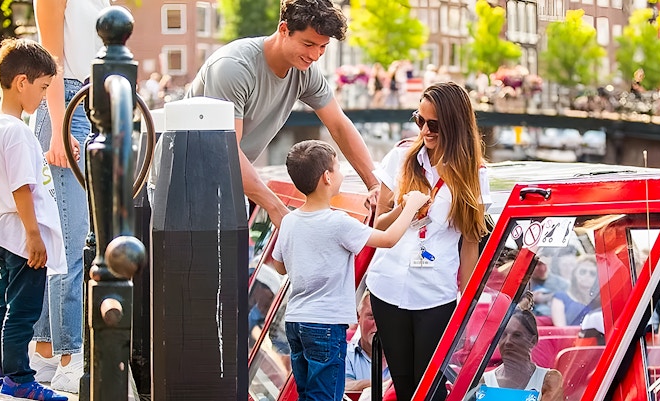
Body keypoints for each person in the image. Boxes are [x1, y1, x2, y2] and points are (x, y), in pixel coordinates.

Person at [185, 0, 380, 228]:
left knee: (237, 262)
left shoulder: (305, 72)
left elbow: (339, 125)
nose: (315, 55)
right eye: (308, 44)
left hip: (229, 184)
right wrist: (277, 208)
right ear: (284, 30)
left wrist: (375, 184)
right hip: (186, 183)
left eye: (322, 47)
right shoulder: (233, 68)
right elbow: (226, 151)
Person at [270, 140, 429, 401]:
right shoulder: (339, 223)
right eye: (339, 167)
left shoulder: (289, 221)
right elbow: (388, 239)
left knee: (307, 393)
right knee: (326, 396)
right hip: (325, 324)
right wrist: (412, 205)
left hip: (295, 322)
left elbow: (279, 266)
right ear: (327, 177)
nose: (342, 173)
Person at [366, 82, 492, 401]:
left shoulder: (474, 174)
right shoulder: (400, 157)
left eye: (433, 124)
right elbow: (378, 224)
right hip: (388, 284)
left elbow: (470, 241)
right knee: (404, 383)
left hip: (435, 293)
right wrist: (406, 208)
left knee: (430, 387)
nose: (424, 130)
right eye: (419, 120)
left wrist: (469, 302)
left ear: (454, 124)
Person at [0, 38, 68, 401]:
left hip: (6, 234)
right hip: (22, 237)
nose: (45, 96)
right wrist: (35, 235)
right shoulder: (17, 133)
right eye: (44, 87)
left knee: (5, 304)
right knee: (23, 311)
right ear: (22, 83)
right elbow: (22, 188)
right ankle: (19, 379)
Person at [30, 0, 110, 393]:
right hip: (64, 106)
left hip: (88, 105)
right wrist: (61, 125)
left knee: (66, 235)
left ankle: (44, 351)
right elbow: (51, 60)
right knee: (70, 241)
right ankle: (69, 356)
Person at [480, 294, 564, 401]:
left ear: (532, 341)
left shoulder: (548, 380)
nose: (508, 342)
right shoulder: (484, 381)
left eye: (517, 335)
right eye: (503, 335)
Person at [345, 290, 390, 392]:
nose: (378, 324)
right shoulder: (345, 354)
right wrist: (388, 385)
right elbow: (342, 387)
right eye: (372, 316)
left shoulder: (406, 357)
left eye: (385, 318)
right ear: (358, 318)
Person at [551, 255, 600, 327]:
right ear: (575, 274)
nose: (587, 276)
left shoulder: (599, 301)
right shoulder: (560, 297)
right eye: (583, 272)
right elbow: (561, 329)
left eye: (592, 273)